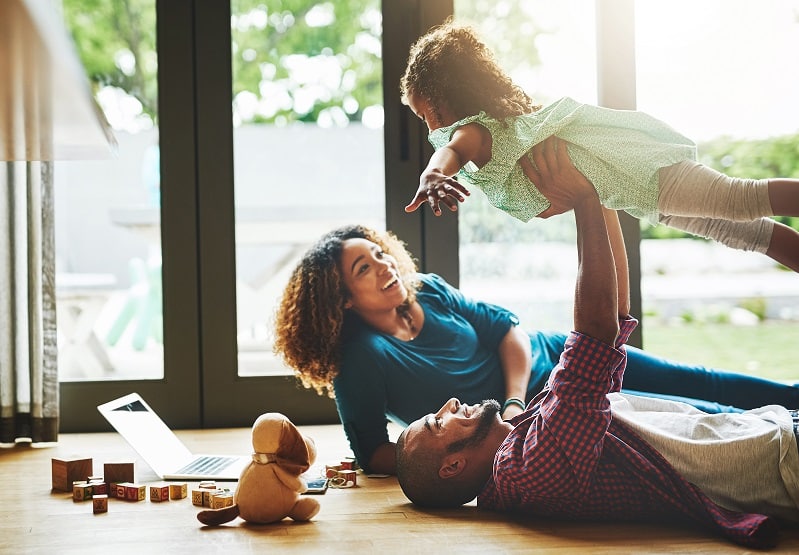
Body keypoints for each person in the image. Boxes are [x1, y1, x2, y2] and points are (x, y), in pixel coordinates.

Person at [394, 173, 799, 549]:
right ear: (453, 466)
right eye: (437, 422)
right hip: (782, 460)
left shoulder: (526, 435)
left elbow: (615, 320)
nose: (448, 405)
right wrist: (584, 200)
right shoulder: (528, 470)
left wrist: (601, 196)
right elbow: (594, 337)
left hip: (772, 432)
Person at [400, 19, 799, 273]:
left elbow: (450, 152)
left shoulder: (475, 132)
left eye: (424, 116)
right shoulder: (504, 132)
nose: (429, 128)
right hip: (637, 191)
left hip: (641, 172)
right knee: (746, 233)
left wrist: (433, 175)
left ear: (440, 100)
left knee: (739, 199)